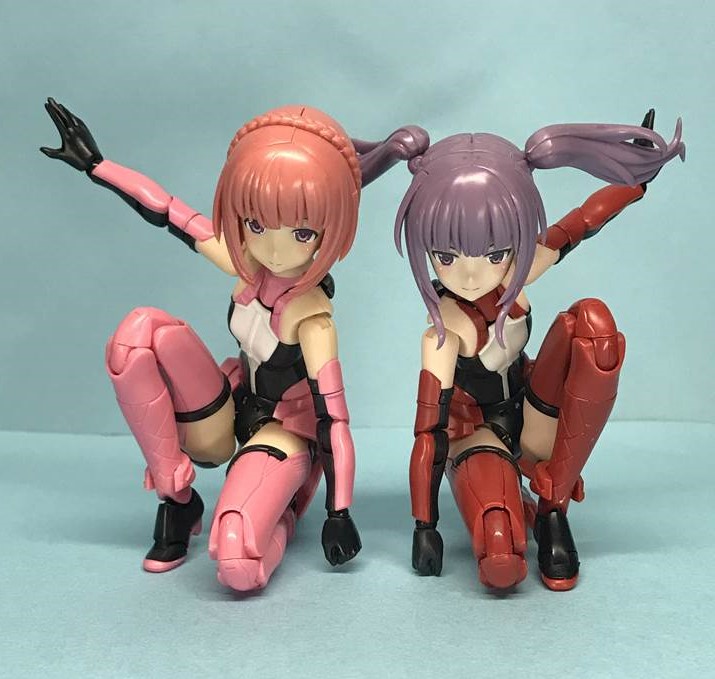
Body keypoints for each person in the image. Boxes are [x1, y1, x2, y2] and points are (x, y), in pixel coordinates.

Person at [42, 98, 428, 591]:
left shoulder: (312, 321)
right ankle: (177, 500)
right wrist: (97, 166)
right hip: (227, 410)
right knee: (137, 334)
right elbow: (168, 211)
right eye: (257, 225)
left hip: (282, 433)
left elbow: (335, 421)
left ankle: (278, 515)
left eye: (301, 232)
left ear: (329, 231)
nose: (274, 248)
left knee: (238, 558)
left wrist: (340, 512)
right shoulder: (244, 264)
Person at [394, 110, 684, 590]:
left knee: (593, 324)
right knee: (501, 551)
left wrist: (634, 182)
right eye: (446, 256)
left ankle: (553, 507)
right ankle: (523, 508)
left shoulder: (516, 273)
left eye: (493, 253)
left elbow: (581, 223)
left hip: (531, 413)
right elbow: (428, 432)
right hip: (476, 434)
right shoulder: (442, 336)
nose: (472, 274)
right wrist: (424, 525)